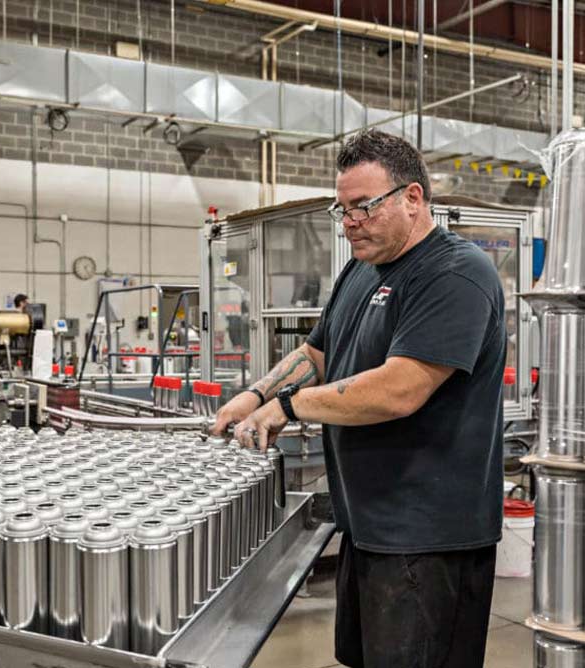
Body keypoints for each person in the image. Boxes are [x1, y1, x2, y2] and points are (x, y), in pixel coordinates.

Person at [211, 129, 505, 668]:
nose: (349, 223)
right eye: (342, 209)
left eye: (363, 207)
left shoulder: (456, 273)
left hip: (426, 539)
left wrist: (290, 406)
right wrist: (254, 394)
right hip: (368, 526)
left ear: (412, 199)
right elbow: (318, 352)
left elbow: (401, 388)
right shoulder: (360, 269)